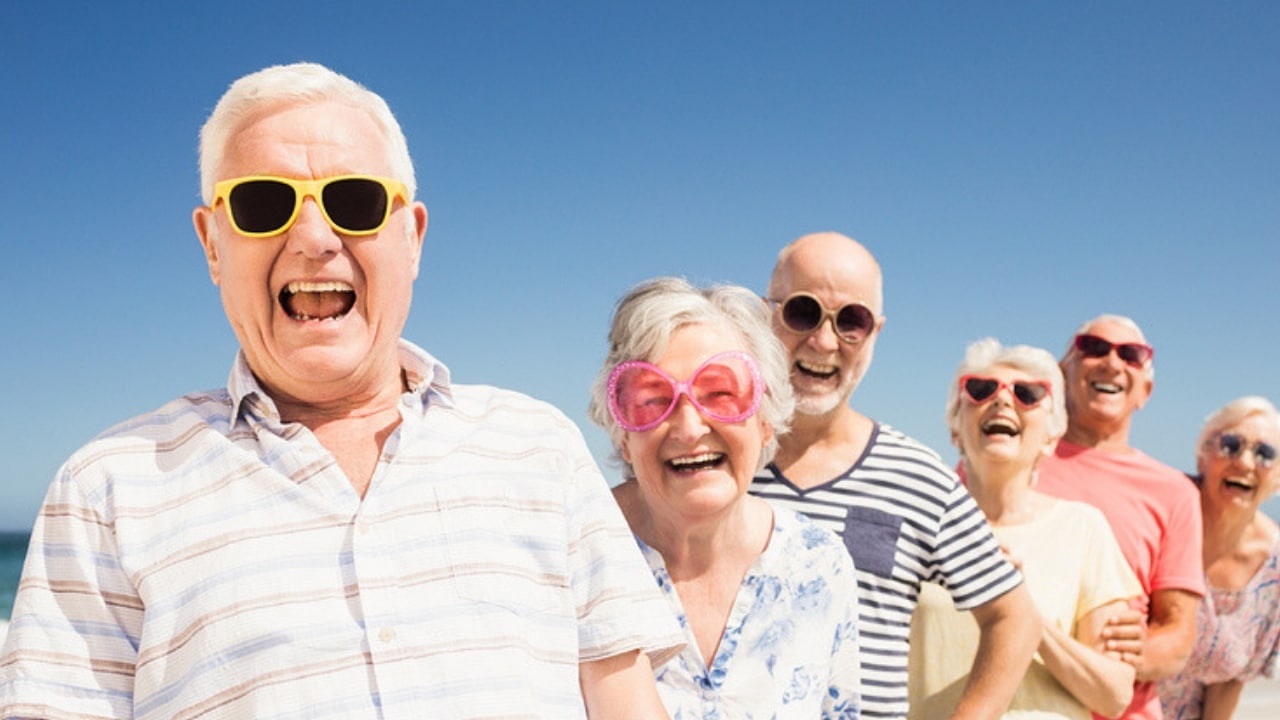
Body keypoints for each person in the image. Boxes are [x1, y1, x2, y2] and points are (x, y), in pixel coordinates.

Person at [0, 62, 683, 719]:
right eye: (262, 204)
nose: (314, 238)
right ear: (212, 244)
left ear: (411, 238)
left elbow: (624, 703)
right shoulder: (107, 490)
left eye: (353, 202)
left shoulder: (539, 447)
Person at [748, 232, 1040, 719]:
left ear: (876, 332)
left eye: (851, 322)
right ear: (765, 315)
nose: (824, 341)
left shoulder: (921, 478)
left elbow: (1014, 618)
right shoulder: (714, 463)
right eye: (802, 312)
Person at [587, 277, 861, 718]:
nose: (690, 427)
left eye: (721, 394)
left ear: (766, 421)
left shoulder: (818, 564)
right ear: (623, 436)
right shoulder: (579, 556)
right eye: (653, 399)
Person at [909, 338, 1143, 719]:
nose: (1002, 401)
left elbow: (1113, 694)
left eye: (1027, 394)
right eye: (981, 389)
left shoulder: (1083, 528)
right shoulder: (918, 528)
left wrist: (1015, 604)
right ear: (955, 430)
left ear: (1052, 438)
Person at [1035, 314, 1206, 719]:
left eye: (1131, 355)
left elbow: (1179, 637)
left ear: (1145, 390)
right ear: (1064, 371)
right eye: (1093, 347)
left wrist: (1108, 655)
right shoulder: (1008, 459)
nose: (1112, 363)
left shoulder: (1175, 492)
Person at [1158, 397, 1280, 719]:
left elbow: (1228, 683)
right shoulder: (1160, 512)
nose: (1245, 462)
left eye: (1265, 454)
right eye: (1230, 445)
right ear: (1202, 456)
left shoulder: (1274, 568)